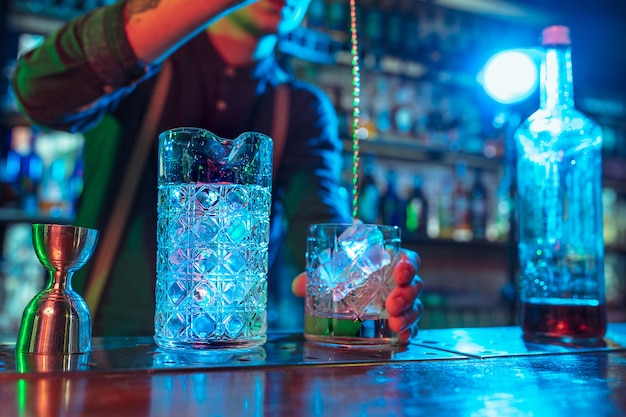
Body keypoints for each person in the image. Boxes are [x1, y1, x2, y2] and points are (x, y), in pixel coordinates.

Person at [11, 0, 423, 342]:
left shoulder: (300, 106)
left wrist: (362, 272)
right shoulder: (144, 62)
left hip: (237, 361)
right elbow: (37, 91)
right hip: (104, 350)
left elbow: (317, 220)